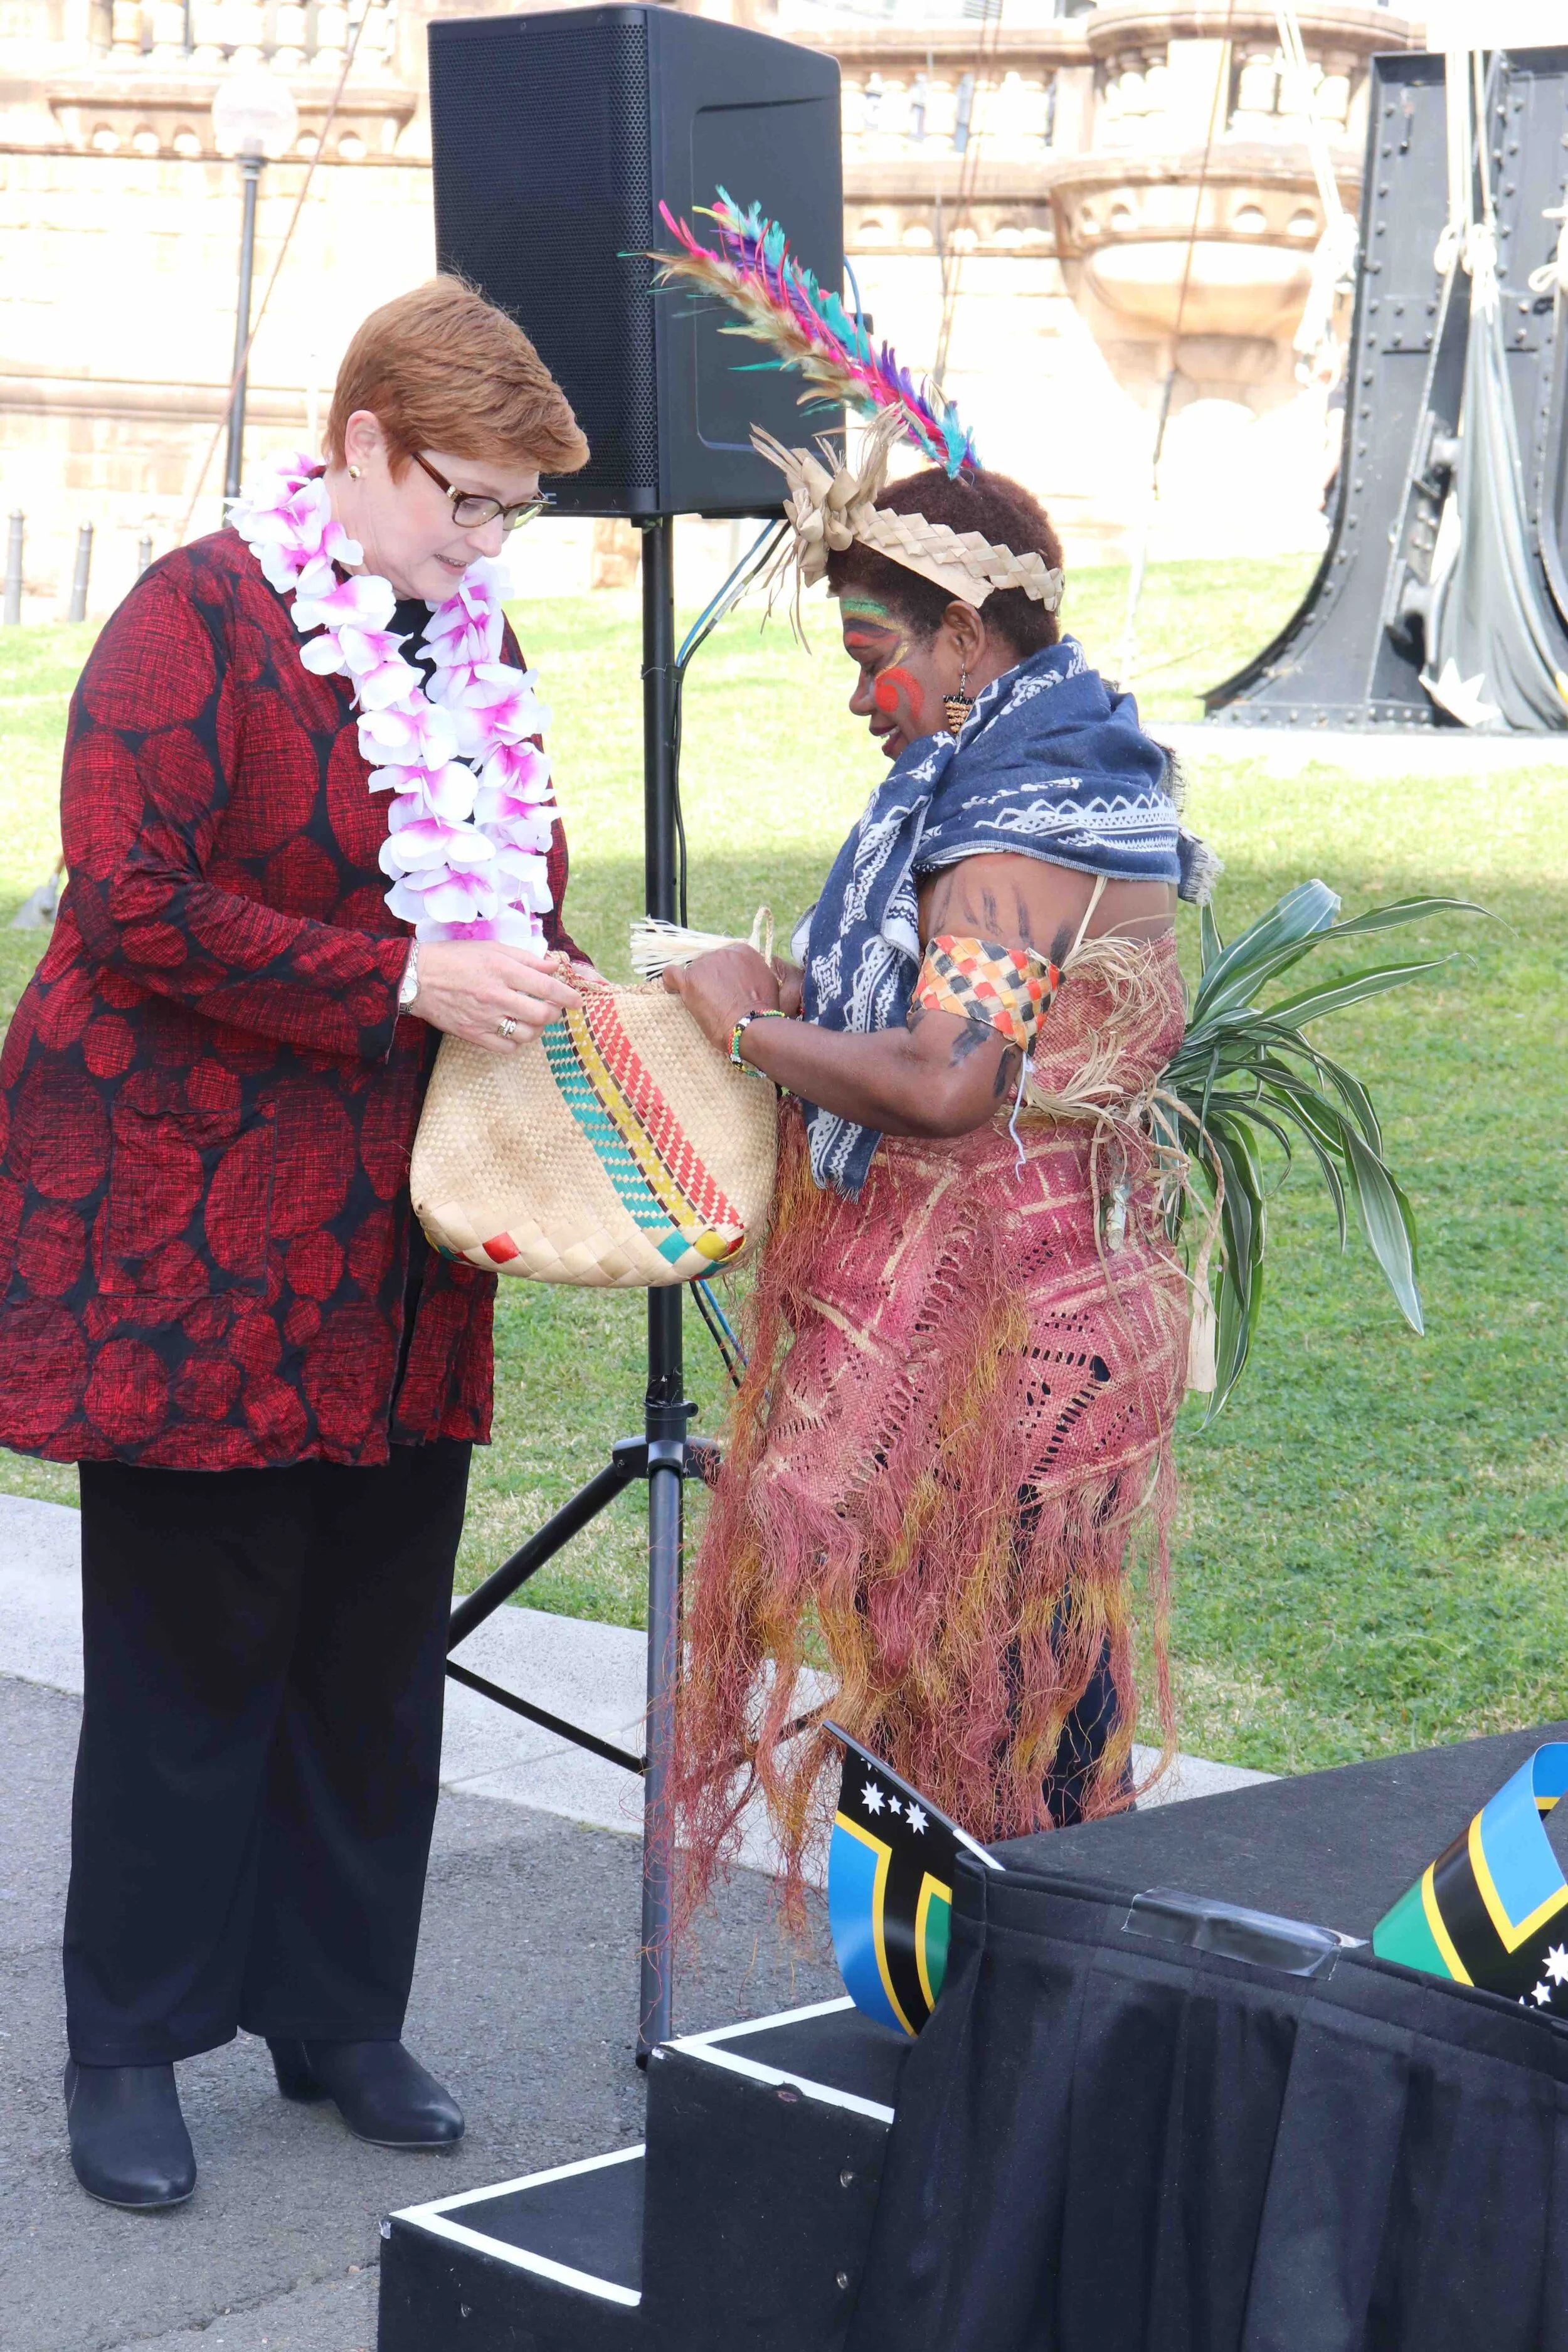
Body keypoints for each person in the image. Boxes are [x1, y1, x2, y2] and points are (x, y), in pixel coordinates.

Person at [0, 278, 590, 2208]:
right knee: (190, 1659)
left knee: (367, 1648)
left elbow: (507, 875)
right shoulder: (198, 615)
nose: (486, 541)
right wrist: (409, 966)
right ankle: (128, 2038)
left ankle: (340, 2012)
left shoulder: (463, 646)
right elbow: (131, 898)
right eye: (465, 499)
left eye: (511, 511)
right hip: (190, 1229)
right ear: (357, 442)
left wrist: (535, 976)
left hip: (403, 1236)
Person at [660, 389, 1214, 1920]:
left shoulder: (1023, 824)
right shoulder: (1027, 776)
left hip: (1007, 1344)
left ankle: (1007, 2053)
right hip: (1014, 1323)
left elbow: (948, 1077)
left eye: (870, 654)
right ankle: (998, 2052)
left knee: (1000, 1704)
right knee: (980, 1686)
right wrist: (794, 997)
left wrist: (742, 1029)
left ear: (966, 636)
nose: (863, 699)